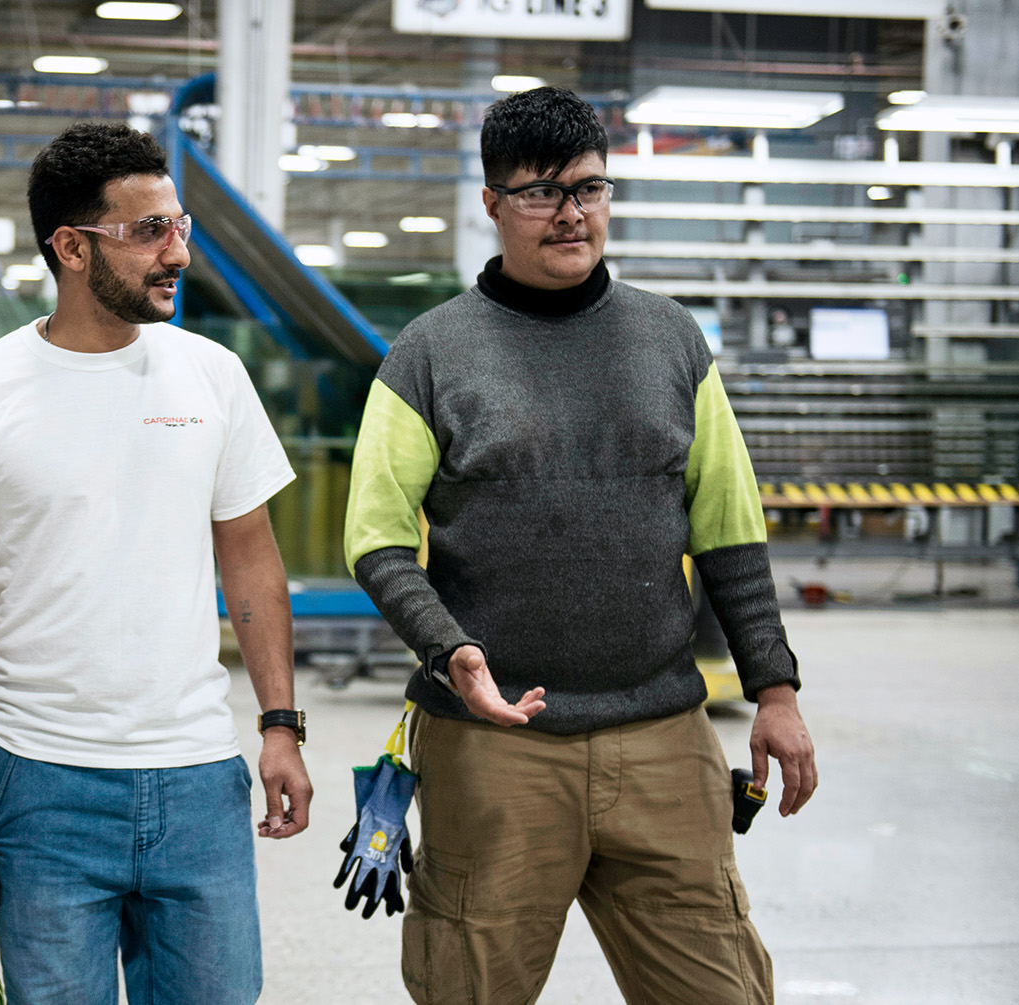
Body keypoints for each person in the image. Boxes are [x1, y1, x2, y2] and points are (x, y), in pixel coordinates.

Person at [343, 86, 818, 1005]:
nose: (572, 213)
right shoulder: (428, 354)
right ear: (490, 203)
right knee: (469, 986)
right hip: (494, 744)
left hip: (662, 738)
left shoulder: (671, 339)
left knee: (720, 987)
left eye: (590, 189)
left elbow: (728, 528)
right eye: (541, 193)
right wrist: (451, 650)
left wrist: (775, 687)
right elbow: (378, 539)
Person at [0, 121, 311, 1005]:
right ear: (72, 247)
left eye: (179, 225)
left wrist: (280, 721)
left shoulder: (212, 376)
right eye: (147, 231)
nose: (177, 254)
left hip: (199, 777)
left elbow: (250, 560)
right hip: (39, 781)